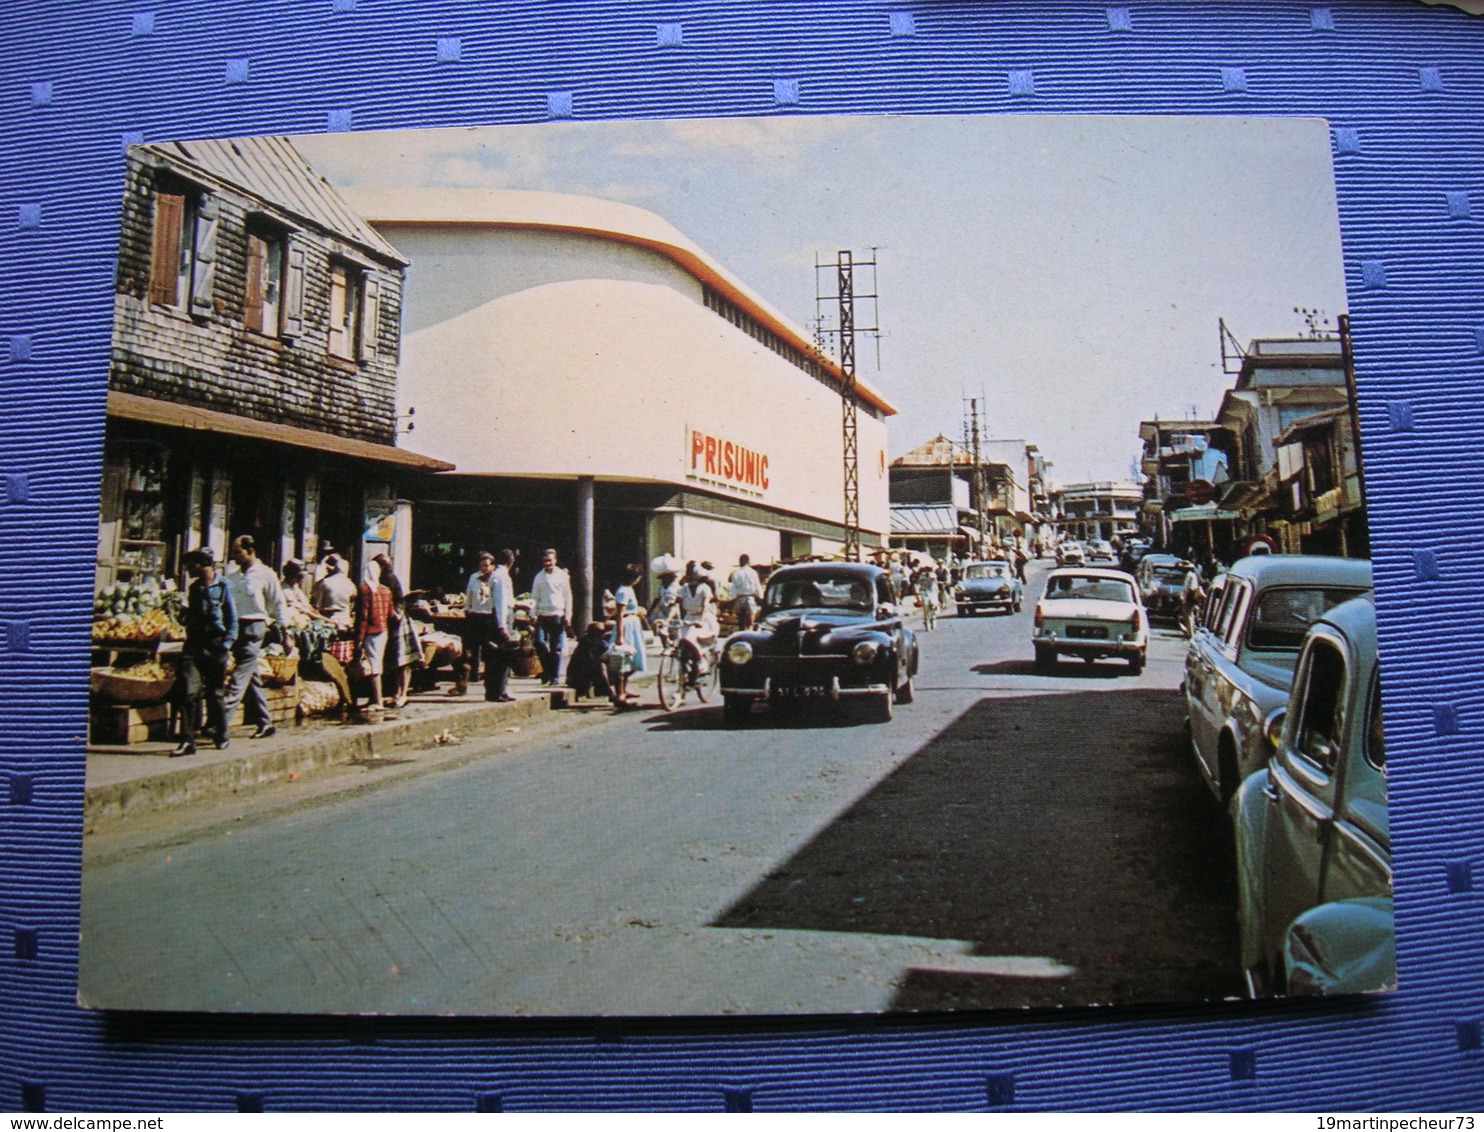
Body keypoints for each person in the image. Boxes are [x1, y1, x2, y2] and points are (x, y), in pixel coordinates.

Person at [171, 548, 236, 756]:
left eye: (190, 566)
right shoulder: (195, 588)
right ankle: (188, 740)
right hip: (194, 644)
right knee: (189, 692)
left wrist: (226, 644)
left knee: (215, 693)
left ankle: (222, 734)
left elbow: (232, 618)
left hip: (215, 645)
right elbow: (192, 616)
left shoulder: (223, 586)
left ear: (200, 565)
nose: (188, 571)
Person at [223, 534, 288, 740]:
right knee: (251, 676)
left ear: (250, 551)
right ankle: (265, 722)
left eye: (237, 552)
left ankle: (221, 721)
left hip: (255, 627)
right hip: (236, 627)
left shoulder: (265, 574)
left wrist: (285, 632)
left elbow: (278, 603)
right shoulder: (233, 577)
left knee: (239, 677)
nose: (234, 557)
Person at [373, 552, 418, 709]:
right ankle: (397, 693)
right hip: (393, 622)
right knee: (397, 661)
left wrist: (393, 615)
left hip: (399, 623)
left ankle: (403, 694)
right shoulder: (382, 579)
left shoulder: (389, 579)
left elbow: (399, 601)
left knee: (403, 660)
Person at [450, 552, 496, 697]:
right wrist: (466, 609)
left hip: (489, 616)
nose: (484, 568)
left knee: (489, 650)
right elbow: (469, 595)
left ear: (492, 566)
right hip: (475, 616)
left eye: (487, 565)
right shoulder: (473, 578)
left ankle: (490, 683)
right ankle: (466, 681)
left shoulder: (496, 580)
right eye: (482, 565)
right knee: (470, 650)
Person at [605, 565, 649, 708]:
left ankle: (624, 690)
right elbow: (620, 614)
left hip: (633, 625)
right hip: (626, 626)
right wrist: (620, 635)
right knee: (622, 661)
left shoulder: (628, 590)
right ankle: (620, 694)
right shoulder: (623, 591)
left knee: (631, 660)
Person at [530, 548, 573, 687]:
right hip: (542, 614)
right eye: (545, 561)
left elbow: (568, 596)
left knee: (557, 648)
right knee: (540, 643)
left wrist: (568, 615)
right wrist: (532, 614)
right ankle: (547, 671)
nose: (547, 563)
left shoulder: (562, 575)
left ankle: (554, 676)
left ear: (555, 560)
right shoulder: (539, 577)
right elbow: (534, 596)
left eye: (550, 560)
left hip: (557, 614)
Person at [673, 560, 718, 683]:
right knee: (682, 649)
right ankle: (686, 674)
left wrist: (701, 621)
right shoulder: (683, 589)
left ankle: (699, 666)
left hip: (704, 620)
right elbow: (677, 605)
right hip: (689, 619)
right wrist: (670, 619)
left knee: (694, 645)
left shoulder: (704, 588)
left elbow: (705, 606)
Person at [357, 562, 393, 713]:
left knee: (373, 665)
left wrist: (359, 638)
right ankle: (373, 698)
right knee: (377, 662)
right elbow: (391, 613)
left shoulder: (365, 589)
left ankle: (377, 701)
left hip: (371, 631)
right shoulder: (386, 590)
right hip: (383, 630)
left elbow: (363, 617)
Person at [482, 548, 518, 703]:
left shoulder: (495, 575)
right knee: (502, 658)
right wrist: (502, 626)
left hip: (496, 617)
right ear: (511, 561)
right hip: (501, 618)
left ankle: (496, 690)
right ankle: (498, 691)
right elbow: (501, 602)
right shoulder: (502, 577)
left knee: (495, 657)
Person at [311, 553, 358, 664]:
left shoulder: (325, 583)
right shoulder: (350, 584)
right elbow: (353, 600)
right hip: (345, 618)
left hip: (326, 618)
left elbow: (316, 604)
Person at [728, 554, 763, 631]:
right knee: (750, 621)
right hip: (750, 598)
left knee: (741, 621)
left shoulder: (736, 573)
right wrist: (761, 597)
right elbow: (757, 585)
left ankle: (742, 630)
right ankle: (749, 631)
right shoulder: (753, 572)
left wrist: (732, 599)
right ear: (748, 562)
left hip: (739, 598)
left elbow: (734, 587)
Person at [917, 566, 940, 632]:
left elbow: (935, 581)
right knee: (926, 606)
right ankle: (927, 621)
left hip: (933, 592)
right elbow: (919, 583)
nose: (928, 572)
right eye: (926, 570)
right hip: (924, 592)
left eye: (929, 570)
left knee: (933, 605)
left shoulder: (933, 575)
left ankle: (933, 617)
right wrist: (917, 591)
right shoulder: (922, 576)